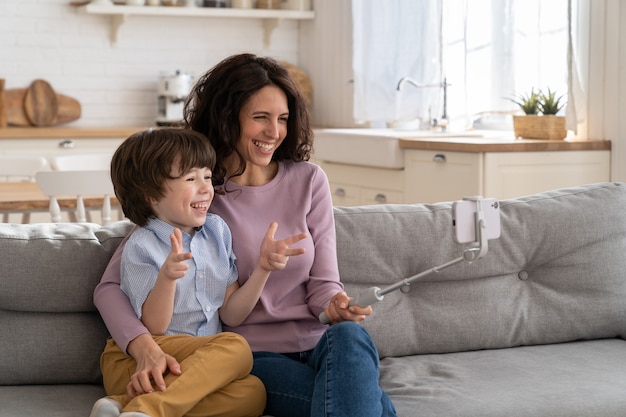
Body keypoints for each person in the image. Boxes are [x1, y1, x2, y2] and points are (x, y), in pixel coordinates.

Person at [94, 53, 397, 417]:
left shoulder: (309, 180)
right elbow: (109, 288)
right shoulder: (197, 194)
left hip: (318, 343)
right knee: (375, 406)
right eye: (260, 118)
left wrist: (334, 306)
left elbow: (323, 283)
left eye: (283, 119)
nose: (275, 132)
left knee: (352, 337)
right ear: (227, 119)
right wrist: (143, 346)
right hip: (251, 353)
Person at [90, 127, 306, 417]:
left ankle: (123, 405)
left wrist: (262, 270)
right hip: (136, 360)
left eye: (207, 176)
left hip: (189, 365)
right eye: (191, 178)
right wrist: (166, 279)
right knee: (235, 346)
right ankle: (148, 410)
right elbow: (154, 328)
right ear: (150, 194)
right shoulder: (142, 244)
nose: (206, 188)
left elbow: (231, 314)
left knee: (253, 393)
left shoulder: (218, 231)